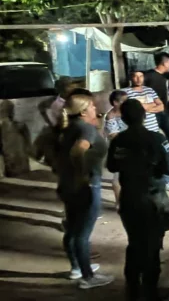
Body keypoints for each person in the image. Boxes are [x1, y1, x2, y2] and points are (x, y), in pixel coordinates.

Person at [107, 99, 169, 301]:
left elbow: (111, 166)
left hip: (129, 198)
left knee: (134, 243)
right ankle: (150, 291)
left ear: (123, 118)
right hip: (152, 198)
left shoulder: (118, 140)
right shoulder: (157, 138)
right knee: (152, 246)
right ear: (144, 115)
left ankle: (132, 290)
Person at [54, 94, 114, 289]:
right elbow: (79, 150)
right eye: (92, 106)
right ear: (82, 111)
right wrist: (82, 174)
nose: (95, 109)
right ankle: (88, 277)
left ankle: (77, 268)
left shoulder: (68, 127)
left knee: (72, 229)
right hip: (85, 184)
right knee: (82, 234)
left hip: (67, 184)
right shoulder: (85, 129)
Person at [124, 71, 169, 193]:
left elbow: (161, 106)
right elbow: (133, 108)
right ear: (131, 78)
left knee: (160, 156)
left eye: (141, 76)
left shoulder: (149, 90)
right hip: (138, 130)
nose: (138, 79)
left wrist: (143, 107)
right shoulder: (125, 92)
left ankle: (168, 181)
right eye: (135, 76)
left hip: (153, 129)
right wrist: (150, 106)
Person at [104, 90, 128, 209]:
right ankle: (119, 202)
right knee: (117, 178)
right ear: (115, 102)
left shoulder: (127, 112)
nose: (127, 103)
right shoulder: (110, 116)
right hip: (119, 149)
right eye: (124, 101)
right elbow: (113, 135)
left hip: (130, 147)